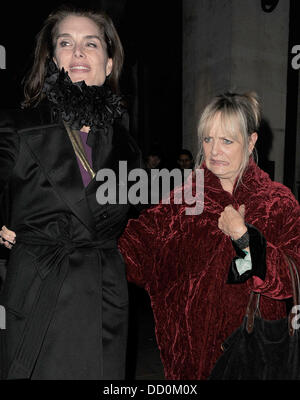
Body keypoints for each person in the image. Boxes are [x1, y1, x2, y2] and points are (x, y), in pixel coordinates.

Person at [0, 5, 144, 380]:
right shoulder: (17, 126)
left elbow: (146, 227)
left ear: (109, 63)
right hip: (40, 298)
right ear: (52, 59)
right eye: (66, 43)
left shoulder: (128, 146)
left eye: (91, 44)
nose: (78, 52)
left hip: (104, 302)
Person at [118, 92, 300, 379]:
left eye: (227, 141)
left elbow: (292, 276)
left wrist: (243, 235)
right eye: (207, 139)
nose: (214, 151)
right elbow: (131, 251)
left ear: (251, 141)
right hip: (192, 365)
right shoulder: (183, 199)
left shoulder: (278, 203)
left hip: (257, 356)